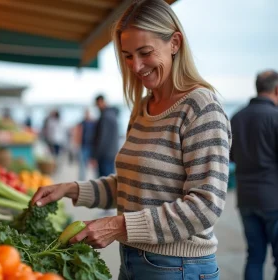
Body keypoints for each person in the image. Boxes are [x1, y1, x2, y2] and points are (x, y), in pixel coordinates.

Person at [32, 1, 232, 279]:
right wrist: (70, 189)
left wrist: (117, 226)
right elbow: (131, 186)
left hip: (179, 268)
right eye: (127, 55)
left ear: (175, 43)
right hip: (133, 261)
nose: (136, 66)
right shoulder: (142, 107)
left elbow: (205, 207)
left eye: (145, 53)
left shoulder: (201, 107)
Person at [230, 70, 278, 280]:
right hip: (273, 199)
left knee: (254, 257)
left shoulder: (237, 117)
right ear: (276, 89)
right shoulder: (275, 116)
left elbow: (230, 156)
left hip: (246, 198)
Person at [93, 95, 119, 177]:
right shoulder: (112, 114)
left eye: (97, 104)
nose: (97, 107)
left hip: (105, 155)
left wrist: (95, 156)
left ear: (101, 102)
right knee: (108, 180)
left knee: (104, 182)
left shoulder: (106, 116)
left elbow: (102, 139)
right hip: (111, 153)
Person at [77, 109, 96, 180]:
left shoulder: (94, 123)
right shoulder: (82, 123)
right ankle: (82, 180)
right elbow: (78, 134)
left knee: (94, 165)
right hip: (84, 146)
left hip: (92, 147)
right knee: (82, 165)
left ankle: (97, 179)